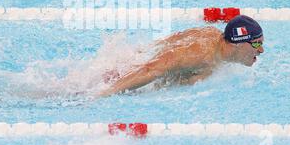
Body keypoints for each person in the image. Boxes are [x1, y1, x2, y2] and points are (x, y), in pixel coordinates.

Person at [99, 15, 264, 97]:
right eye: (257, 44)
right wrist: (104, 93)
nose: (261, 50)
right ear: (238, 42)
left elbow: (171, 39)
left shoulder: (213, 34)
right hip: (125, 77)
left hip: (132, 64)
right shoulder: (200, 53)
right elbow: (151, 69)